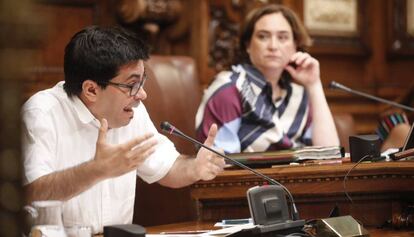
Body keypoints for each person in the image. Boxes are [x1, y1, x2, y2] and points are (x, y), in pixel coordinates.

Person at [22, 25, 225, 233]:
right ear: (91, 89)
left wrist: (196, 167)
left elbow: (167, 167)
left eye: (142, 81)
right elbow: (32, 192)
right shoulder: (42, 114)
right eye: (132, 85)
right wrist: (96, 170)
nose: (142, 94)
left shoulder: (130, 112)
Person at [195, 4, 339, 153]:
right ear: (248, 45)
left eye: (282, 37)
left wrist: (314, 85)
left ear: (296, 45)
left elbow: (330, 155)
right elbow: (216, 166)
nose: (273, 46)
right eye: (263, 36)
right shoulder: (228, 88)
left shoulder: (300, 95)